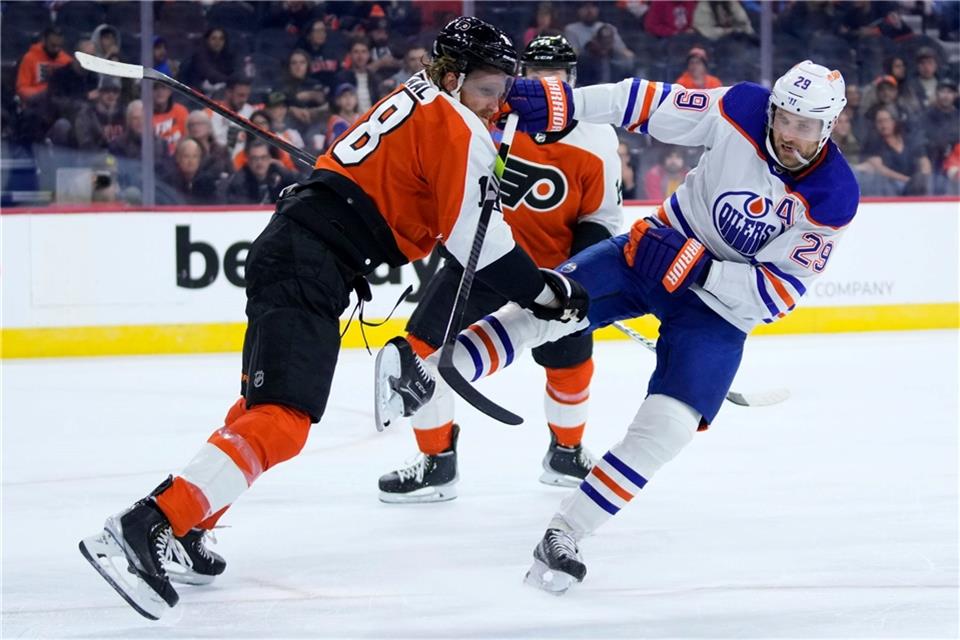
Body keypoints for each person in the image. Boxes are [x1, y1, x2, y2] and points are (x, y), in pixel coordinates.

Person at [78, 16, 583, 621]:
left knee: (257, 411)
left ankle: (190, 526)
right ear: (452, 78)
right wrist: (544, 293)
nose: (496, 104)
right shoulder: (457, 124)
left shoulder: (414, 96)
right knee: (284, 421)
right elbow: (481, 243)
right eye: (486, 89)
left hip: (296, 249)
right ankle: (148, 523)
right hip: (310, 261)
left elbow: (392, 188)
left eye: (502, 90)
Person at [378, 60, 859, 594]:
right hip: (654, 250)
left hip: (719, 309)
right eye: (784, 119)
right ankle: (424, 376)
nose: (789, 134)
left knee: (669, 428)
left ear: (828, 126)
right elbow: (647, 103)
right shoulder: (743, 108)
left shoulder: (834, 195)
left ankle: (565, 533)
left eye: (804, 126)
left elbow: (777, 294)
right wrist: (567, 104)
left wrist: (700, 269)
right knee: (550, 306)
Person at [376, 35, 623, 503]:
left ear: (573, 80)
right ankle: (436, 462)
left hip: (555, 273)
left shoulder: (597, 136)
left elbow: (601, 219)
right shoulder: (489, 115)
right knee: (420, 351)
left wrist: (578, 277)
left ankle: (566, 454)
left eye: (557, 76)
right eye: (537, 75)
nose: (547, 85)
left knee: (571, 365)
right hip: (483, 259)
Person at [222, 137, 296, 204]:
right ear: (248, 160)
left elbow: (298, 183)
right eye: (255, 158)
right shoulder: (239, 181)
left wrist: (282, 171)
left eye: (263, 157)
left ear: (269, 158)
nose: (259, 162)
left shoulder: (278, 172)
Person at [16, 27, 72, 102]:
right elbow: (22, 88)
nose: (57, 49)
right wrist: (42, 95)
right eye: (53, 45)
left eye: (59, 46)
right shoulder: (29, 58)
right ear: (44, 41)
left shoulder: (67, 61)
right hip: (36, 102)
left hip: (60, 102)